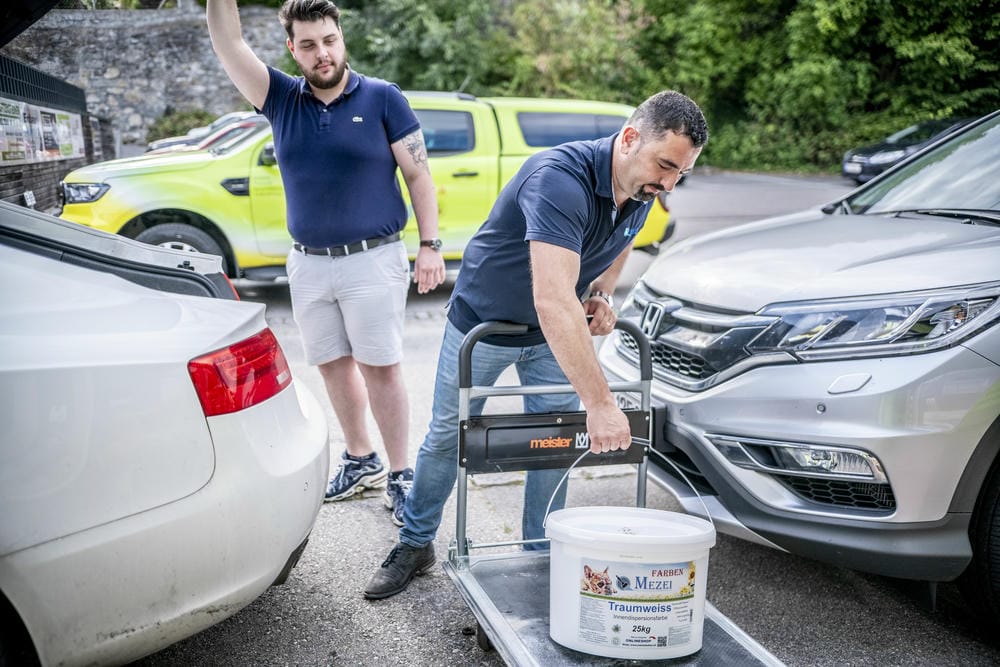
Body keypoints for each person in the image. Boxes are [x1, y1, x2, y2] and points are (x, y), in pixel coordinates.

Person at [364, 90, 707, 599]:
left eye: (682, 172)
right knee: (447, 437)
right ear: (630, 139)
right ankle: (415, 543)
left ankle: (541, 554)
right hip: (485, 326)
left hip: (553, 337)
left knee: (554, 444)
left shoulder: (641, 187)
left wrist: (601, 291)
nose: (670, 183)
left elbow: (624, 236)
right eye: (665, 166)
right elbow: (551, 299)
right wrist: (601, 404)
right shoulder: (558, 179)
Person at [206, 0, 446, 526]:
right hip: (308, 264)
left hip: (372, 259)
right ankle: (361, 458)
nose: (322, 53)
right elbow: (228, 44)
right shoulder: (279, 97)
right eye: (309, 44)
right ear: (293, 49)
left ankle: (400, 471)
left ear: (342, 39)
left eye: (330, 40)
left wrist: (430, 245)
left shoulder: (383, 97)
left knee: (380, 367)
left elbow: (418, 175)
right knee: (333, 364)